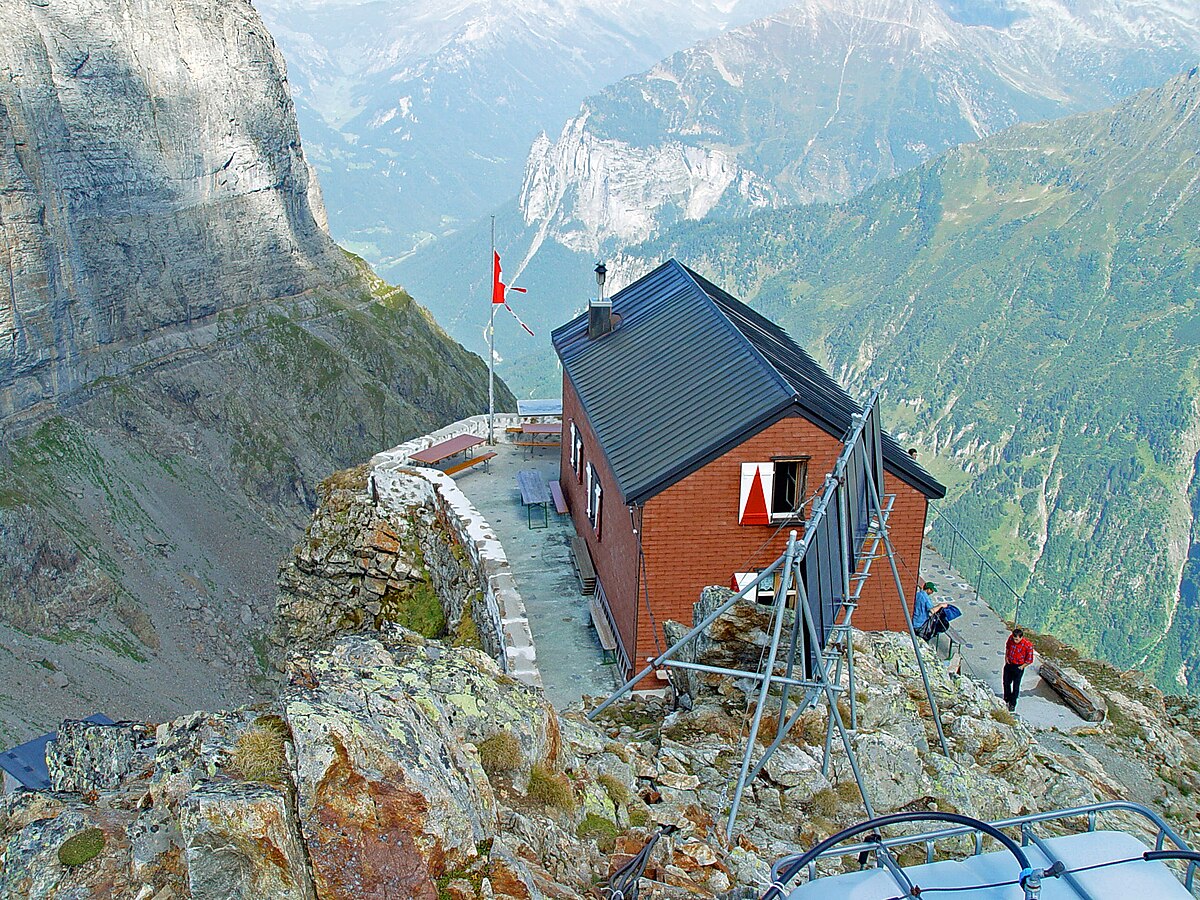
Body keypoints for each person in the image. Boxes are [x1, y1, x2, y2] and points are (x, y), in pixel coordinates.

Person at [1003, 628, 1035, 711]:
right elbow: (1008, 647)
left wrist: (1022, 666)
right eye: (1014, 639)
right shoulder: (1011, 638)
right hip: (1009, 663)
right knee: (1006, 682)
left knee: (1015, 686)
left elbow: (1030, 659)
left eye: (1017, 639)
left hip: (1019, 666)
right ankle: (1006, 698)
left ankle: (1012, 704)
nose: (1015, 641)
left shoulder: (1028, 645)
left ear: (1021, 637)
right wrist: (1006, 657)